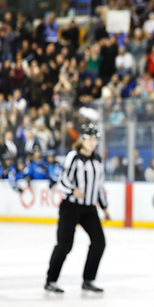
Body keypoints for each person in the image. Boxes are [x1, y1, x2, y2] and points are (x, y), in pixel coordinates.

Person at [45, 124, 110, 293]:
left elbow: (99, 186)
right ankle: (51, 280)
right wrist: (72, 190)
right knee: (65, 245)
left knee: (99, 242)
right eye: (89, 139)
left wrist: (104, 207)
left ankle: (88, 280)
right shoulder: (73, 157)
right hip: (70, 207)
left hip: (89, 208)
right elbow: (63, 180)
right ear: (82, 140)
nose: (92, 143)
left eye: (95, 139)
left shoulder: (98, 160)